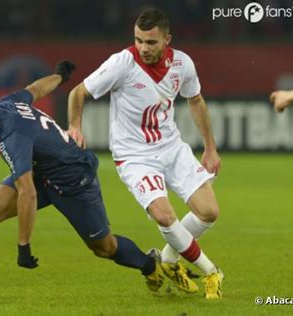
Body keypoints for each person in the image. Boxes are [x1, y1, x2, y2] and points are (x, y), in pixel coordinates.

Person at [0, 61, 164, 303]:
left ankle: (151, 266)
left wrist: (23, 246)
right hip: (45, 172)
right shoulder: (8, 103)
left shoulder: (12, 137)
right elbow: (36, 89)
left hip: (74, 178)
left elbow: (27, 193)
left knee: (104, 247)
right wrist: (59, 76)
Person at [67, 9, 223, 299]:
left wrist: (210, 148)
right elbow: (77, 93)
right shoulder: (122, 63)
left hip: (172, 147)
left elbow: (196, 100)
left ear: (167, 39)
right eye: (138, 40)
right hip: (134, 156)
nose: (143, 48)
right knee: (165, 216)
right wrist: (75, 126)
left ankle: (167, 260)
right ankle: (212, 271)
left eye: (151, 42)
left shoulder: (182, 64)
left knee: (209, 212)